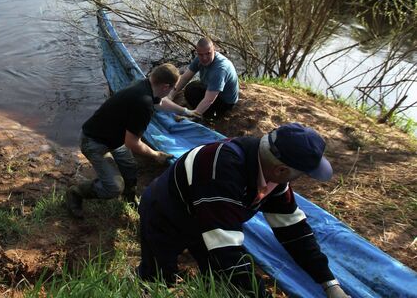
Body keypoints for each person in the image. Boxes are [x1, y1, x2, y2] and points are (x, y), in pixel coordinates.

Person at [137, 123, 350, 298]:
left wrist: (329, 283)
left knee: (218, 276)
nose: (301, 179)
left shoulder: (273, 177)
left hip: (208, 218)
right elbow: (227, 252)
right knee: (158, 274)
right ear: (282, 170)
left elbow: (294, 231)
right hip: (166, 215)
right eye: (302, 174)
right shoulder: (219, 170)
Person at [66, 63, 199, 219]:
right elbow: (132, 143)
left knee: (129, 167)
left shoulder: (145, 85)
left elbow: (161, 102)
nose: (172, 91)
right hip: (94, 142)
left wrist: (186, 111)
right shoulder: (143, 103)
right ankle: (76, 192)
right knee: (114, 187)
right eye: (173, 88)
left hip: (114, 137)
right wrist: (155, 154)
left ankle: (129, 198)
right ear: (165, 87)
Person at [168, 37, 239, 119]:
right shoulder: (199, 59)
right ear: (197, 53)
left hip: (225, 102)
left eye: (208, 53)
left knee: (193, 94)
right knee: (191, 88)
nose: (204, 58)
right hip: (214, 90)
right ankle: (199, 111)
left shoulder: (220, 69)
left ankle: (206, 115)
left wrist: (191, 116)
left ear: (214, 50)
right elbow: (185, 78)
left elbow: (209, 100)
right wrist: (170, 96)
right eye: (201, 54)